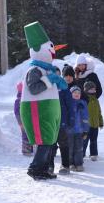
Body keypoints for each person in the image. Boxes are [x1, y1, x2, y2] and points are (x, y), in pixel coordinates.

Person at [20, 22, 67, 180]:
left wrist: (58, 83)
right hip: (38, 109)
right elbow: (34, 88)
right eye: (51, 48)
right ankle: (35, 169)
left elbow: (49, 87)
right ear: (40, 50)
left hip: (49, 109)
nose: (53, 52)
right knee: (45, 141)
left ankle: (44, 168)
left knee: (50, 141)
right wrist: (49, 79)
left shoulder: (47, 70)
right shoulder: (34, 70)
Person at [48, 67, 75, 175]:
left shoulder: (64, 89)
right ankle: (49, 165)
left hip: (62, 122)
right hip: (50, 122)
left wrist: (71, 119)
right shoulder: (48, 89)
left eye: (58, 75)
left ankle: (65, 165)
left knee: (63, 144)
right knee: (50, 144)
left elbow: (70, 106)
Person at [69, 86, 89, 172]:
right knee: (70, 147)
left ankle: (79, 163)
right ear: (70, 94)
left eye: (78, 93)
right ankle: (70, 163)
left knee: (79, 148)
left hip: (79, 131)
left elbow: (85, 118)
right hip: (69, 131)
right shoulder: (68, 103)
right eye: (74, 93)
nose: (77, 94)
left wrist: (85, 130)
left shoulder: (83, 103)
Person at [83, 81, 104, 161]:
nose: (93, 90)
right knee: (84, 141)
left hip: (95, 125)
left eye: (94, 89)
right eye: (91, 89)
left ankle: (94, 154)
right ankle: (82, 153)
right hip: (86, 126)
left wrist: (101, 122)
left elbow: (99, 112)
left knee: (94, 140)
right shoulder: (85, 100)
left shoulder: (96, 100)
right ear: (86, 90)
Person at [14, 82, 33, 156]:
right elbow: (17, 112)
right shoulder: (19, 100)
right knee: (26, 135)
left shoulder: (26, 99)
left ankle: (28, 149)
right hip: (24, 120)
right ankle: (26, 149)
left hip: (28, 120)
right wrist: (20, 122)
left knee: (28, 135)